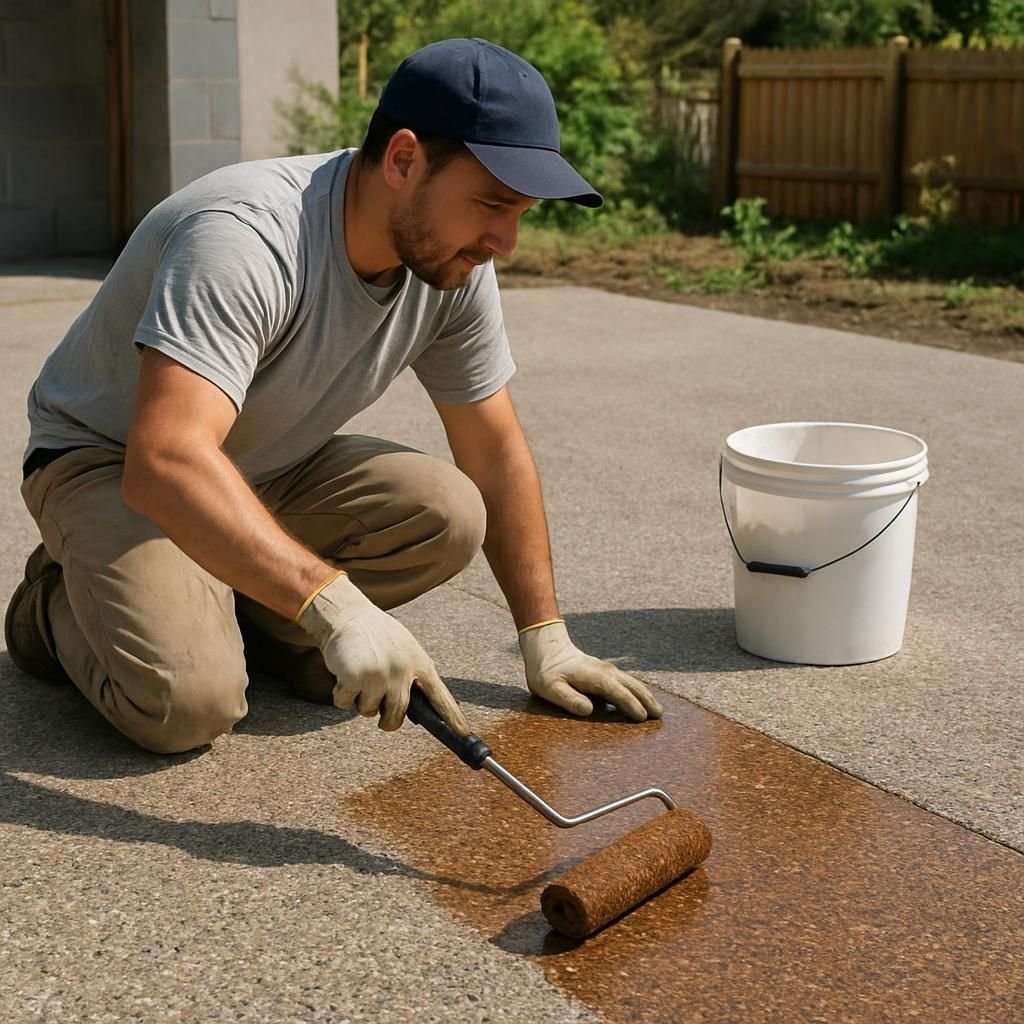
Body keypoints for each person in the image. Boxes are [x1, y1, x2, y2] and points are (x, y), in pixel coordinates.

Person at [5, 37, 662, 754]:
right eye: (492, 203)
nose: (504, 239)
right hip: (111, 461)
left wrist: (547, 638)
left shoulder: (454, 264)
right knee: (187, 702)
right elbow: (165, 459)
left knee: (446, 512)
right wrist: (333, 605)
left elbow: (495, 450)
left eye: (522, 212)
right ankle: (53, 605)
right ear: (404, 159)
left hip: (262, 463)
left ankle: (232, 605)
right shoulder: (247, 237)